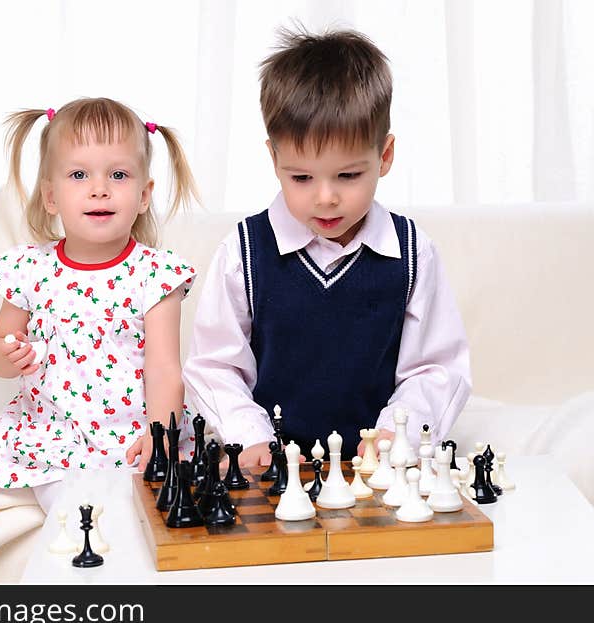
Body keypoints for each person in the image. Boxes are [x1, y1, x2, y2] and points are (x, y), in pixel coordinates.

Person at [183, 27, 472, 467]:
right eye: (301, 177)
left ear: (385, 156)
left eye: (348, 176)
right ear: (273, 159)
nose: (325, 197)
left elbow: (436, 367)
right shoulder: (243, 251)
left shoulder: (414, 252)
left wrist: (400, 432)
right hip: (275, 466)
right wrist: (250, 437)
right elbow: (215, 366)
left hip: (375, 471)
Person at [0, 98, 198, 513]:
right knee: (78, 521)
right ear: (50, 196)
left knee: (141, 517)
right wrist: (10, 355)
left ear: (143, 195)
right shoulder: (30, 269)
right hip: (52, 434)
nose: (99, 188)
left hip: (133, 435)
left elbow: (165, 369)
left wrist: (161, 435)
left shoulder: (154, 276)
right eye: (79, 175)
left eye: (118, 174)